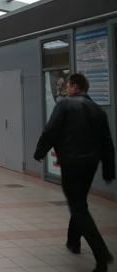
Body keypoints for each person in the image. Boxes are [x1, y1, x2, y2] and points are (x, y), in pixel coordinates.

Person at [34, 73, 115, 272]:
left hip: (71, 163)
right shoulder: (97, 109)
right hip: (90, 164)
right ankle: (73, 241)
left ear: (75, 87)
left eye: (68, 86)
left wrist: (40, 152)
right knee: (79, 201)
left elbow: (50, 130)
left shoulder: (65, 105)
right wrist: (108, 169)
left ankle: (102, 254)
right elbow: (107, 141)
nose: (66, 89)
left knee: (77, 206)